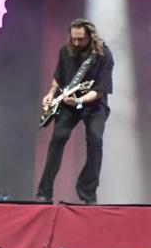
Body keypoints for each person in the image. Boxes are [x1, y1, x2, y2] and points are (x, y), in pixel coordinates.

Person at [36, 18, 114, 204]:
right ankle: (44, 193)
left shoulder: (104, 55)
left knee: (95, 139)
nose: (77, 43)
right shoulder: (66, 51)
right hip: (68, 103)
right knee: (58, 138)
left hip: (93, 103)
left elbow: (100, 90)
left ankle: (87, 191)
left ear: (90, 36)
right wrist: (51, 93)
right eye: (74, 39)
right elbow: (58, 77)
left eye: (81, 39)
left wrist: (79, 100)